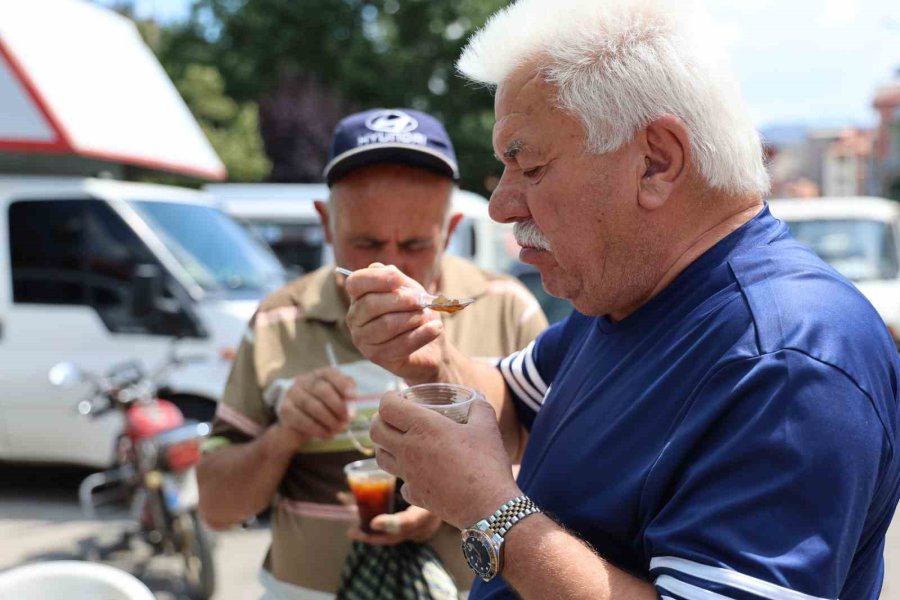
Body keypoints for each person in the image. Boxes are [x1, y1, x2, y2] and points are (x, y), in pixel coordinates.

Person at [344, 2, 900, 599]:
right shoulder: (631, 290)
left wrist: (489, 511)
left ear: (657, 161)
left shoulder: (786, 360)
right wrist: (429, 359)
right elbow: (513, 403)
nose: (502, 205)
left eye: (528, 165)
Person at [197, 107, 548, 598]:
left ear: (448, 232)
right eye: (365, 244)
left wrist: (456, 499)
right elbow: (216, 507)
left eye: (415, 245)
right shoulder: (279, 319)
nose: (390, 268)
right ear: (326, 224)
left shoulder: (506, 307)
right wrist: (285, 435)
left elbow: (558, 476)